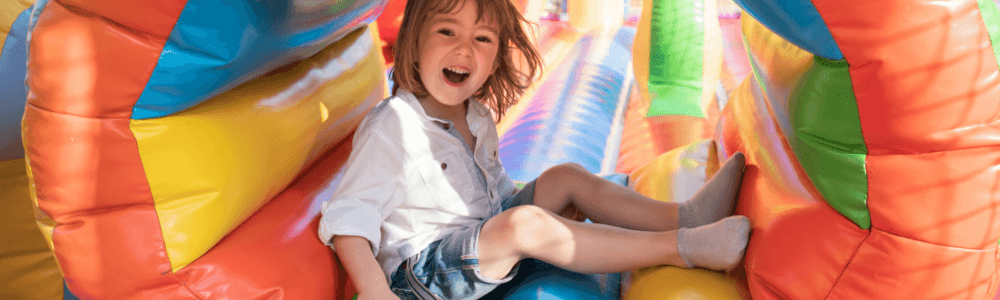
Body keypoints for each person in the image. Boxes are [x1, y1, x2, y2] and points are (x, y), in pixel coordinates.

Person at [318, 0, 751, 299]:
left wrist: (550, 204)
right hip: (423, 278)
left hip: (480, 244)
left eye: (482, 39)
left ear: (493, 59)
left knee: (561, 177)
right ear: (413, 41)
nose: (464, 49)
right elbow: (348, 218)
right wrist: (374, 289)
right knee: (523, 224)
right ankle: (685, 246)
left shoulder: (474, 116)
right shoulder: (393, 125)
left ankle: (685, 215)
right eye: (447, 32)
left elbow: (495, 192)